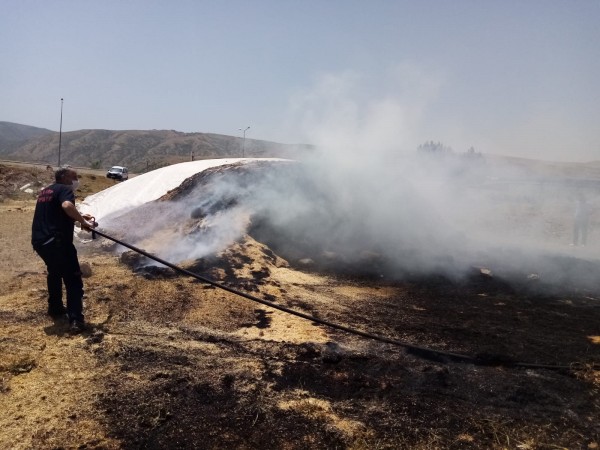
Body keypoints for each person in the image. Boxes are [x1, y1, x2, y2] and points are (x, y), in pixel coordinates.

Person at [31, 168, 97, 332]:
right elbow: (67, 205)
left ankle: (56, 308)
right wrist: (85, 222)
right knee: (73, 278)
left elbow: (57, 214)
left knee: (54, 272)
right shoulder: (65, 190)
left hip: (40, 242)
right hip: (58, 242)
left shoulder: (46, 191)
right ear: (64, 177)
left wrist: (80, 218)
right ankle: (76, 320)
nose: (76, 180)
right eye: (74, 177)